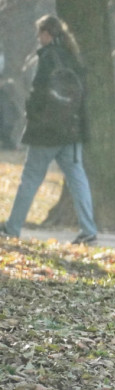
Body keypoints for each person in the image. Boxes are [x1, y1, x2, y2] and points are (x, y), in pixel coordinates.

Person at [0, 14, 97, 244]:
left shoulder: (48, 57)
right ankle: (88, 229)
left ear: (47, 34)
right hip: (72, 132)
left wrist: (31, 113)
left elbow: (38, 92)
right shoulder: (74, 58)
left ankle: (12, 227)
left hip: (46, 132)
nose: (38, 37)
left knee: (30, 179)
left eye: (40, 33)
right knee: (78, 179)